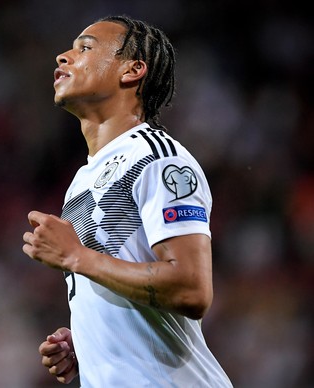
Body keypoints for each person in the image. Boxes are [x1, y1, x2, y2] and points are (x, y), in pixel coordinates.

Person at [22, 15, 232, 387]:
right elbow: (125, 277)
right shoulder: (82, 180)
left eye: (85, 48)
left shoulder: (159, 158)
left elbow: (191, 287)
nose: (63, 56)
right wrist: (91, 344)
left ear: (132, 70)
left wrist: (77, 256)